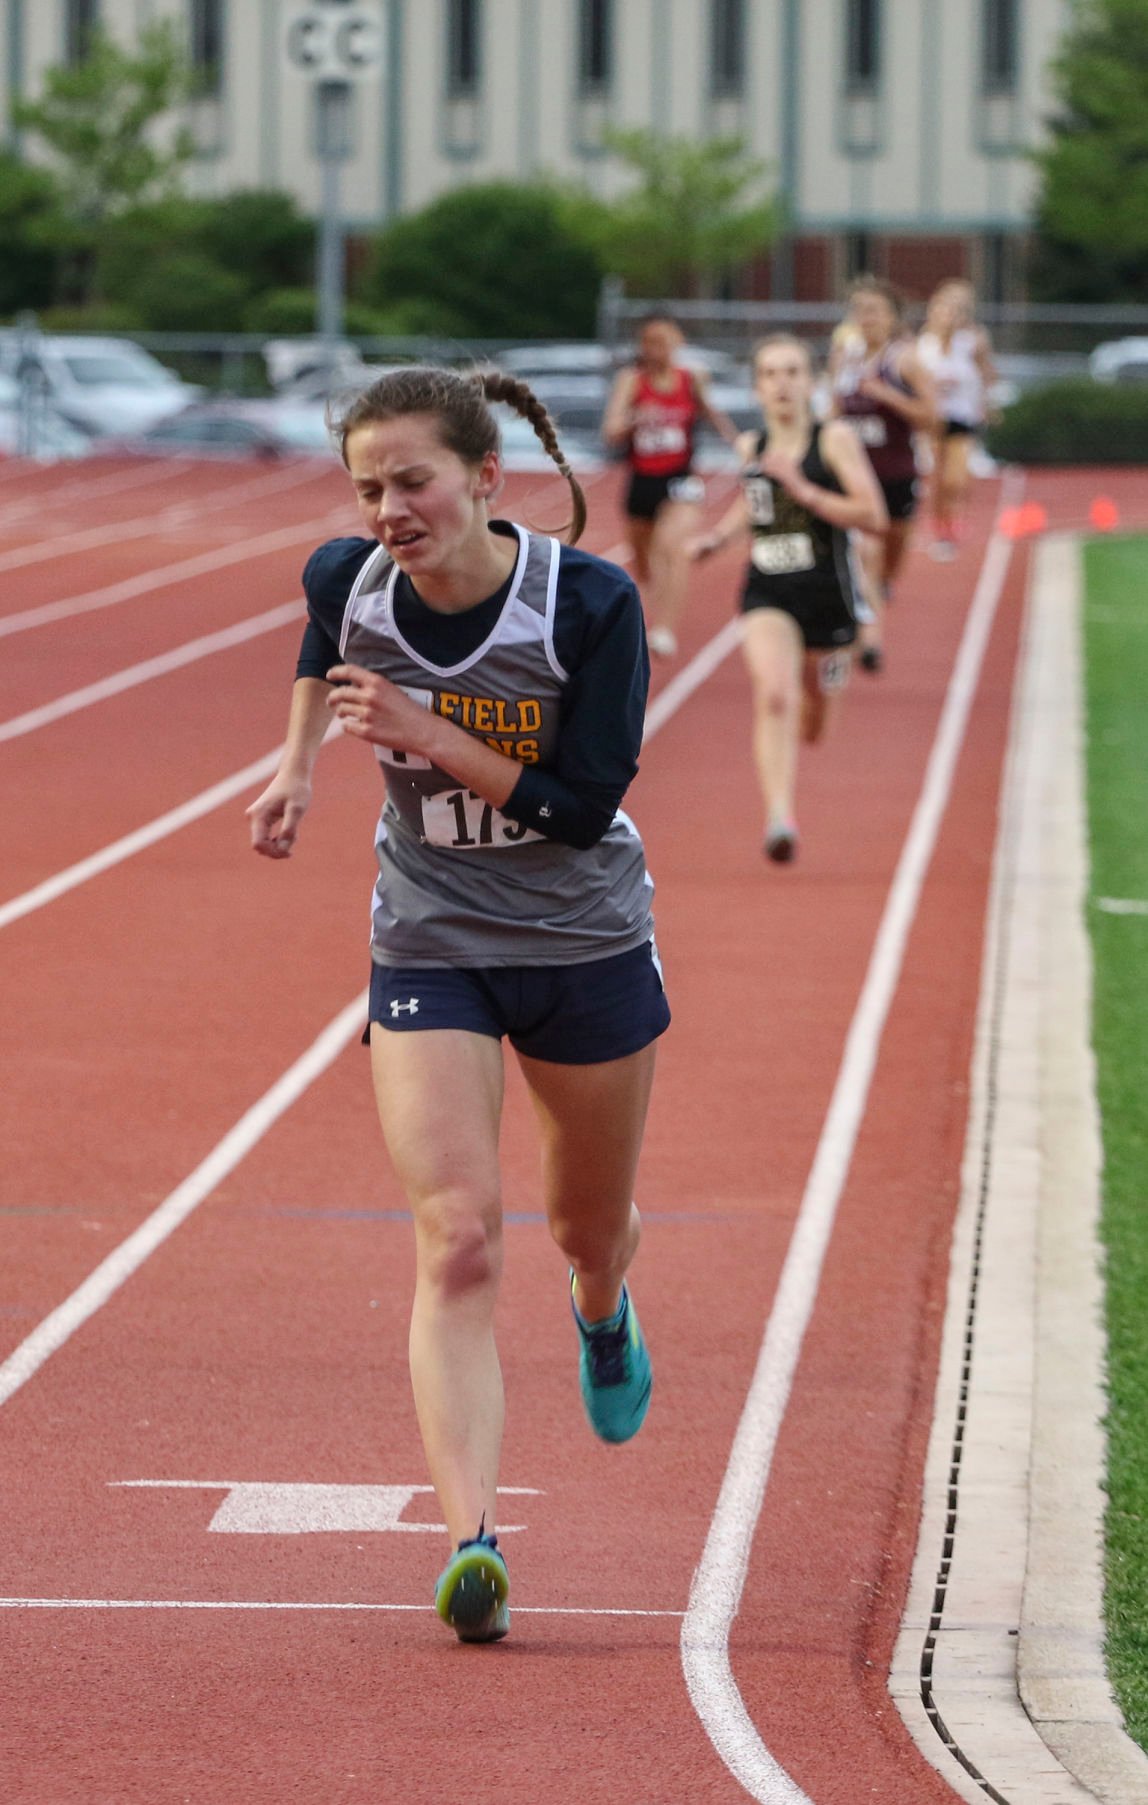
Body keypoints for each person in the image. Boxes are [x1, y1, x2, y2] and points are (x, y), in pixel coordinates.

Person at [247, 365, 670, 1645]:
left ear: (487, 478)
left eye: (413, 480)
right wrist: (297, 773)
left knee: (582, 1226)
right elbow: (325, 660)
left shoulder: (587, 602)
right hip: (430, 930)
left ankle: (602, 1306)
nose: (387, 507)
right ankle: (471, 1541)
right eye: (367, 485)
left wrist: (432, 734)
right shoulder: (345, 575)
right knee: (459, 1235)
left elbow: (576, 808)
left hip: (583, 934)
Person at [689, 335, 887, 863]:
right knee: (775, 694)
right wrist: (718, 539)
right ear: (757, 387)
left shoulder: (835, 439)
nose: (782, 383)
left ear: (811, 382)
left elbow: (873, 516)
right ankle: (780, 818)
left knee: (816, 719)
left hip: (829, 595)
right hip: (769, 590)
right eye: (771, 373)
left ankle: (827, 683)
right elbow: (754, 505)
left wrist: (802, 488)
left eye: (793, 372)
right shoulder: (751, 447)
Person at [601, 312, 740, 659]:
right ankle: (650, 604)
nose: (657, 349)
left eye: (664, 341)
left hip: (680, 479)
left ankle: (664, 628)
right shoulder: (631, 380)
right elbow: (610, 431)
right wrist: (632, 421)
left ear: (678, 343)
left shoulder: (691, 379)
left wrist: (740, 444)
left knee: (672, 548)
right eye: (650, 342)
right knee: (645, 562)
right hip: (642, 480)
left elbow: (710, 412)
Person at [830, 276, 936, 672]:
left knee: (888, 560)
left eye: (874, 310)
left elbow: (932, 418)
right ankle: (868, 641)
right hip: (853, 477)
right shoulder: (844, 356)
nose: (866, 318)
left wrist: (887, 395)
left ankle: (877, 594)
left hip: (895, 475)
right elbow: (833, 408)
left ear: (893, 317)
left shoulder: (904, 359)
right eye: (859, 310)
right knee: (864, 555)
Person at [916, 278, 998, 559]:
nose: (949, 318)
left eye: (954, 312)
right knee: (937, 480)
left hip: (963, 415)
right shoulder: (924, 346)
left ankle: (955, 519)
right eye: (942, 312)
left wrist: (987, 403)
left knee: (956, 478)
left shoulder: (971, 343)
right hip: (934, 420)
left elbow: (988, 373)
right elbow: (915, 382)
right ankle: (941, 528)